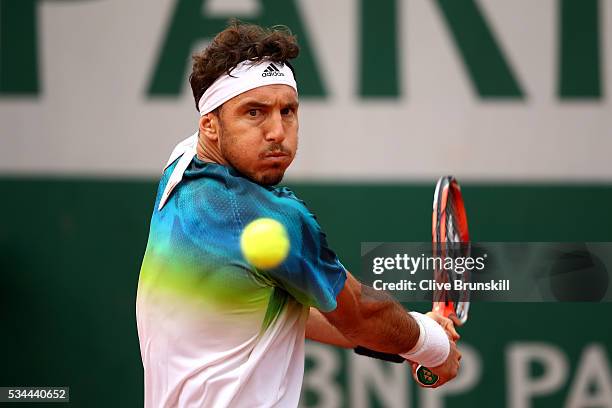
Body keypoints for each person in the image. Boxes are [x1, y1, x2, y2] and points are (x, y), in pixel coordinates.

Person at [136, 21, 462, 408]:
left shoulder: (182, 165)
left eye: (287, 111)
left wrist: (409, 338)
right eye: (254, 113)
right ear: (209, 124)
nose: (277, 131)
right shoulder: (269, 219)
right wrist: (433, 347)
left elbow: (295, 307)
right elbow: (360, 314)